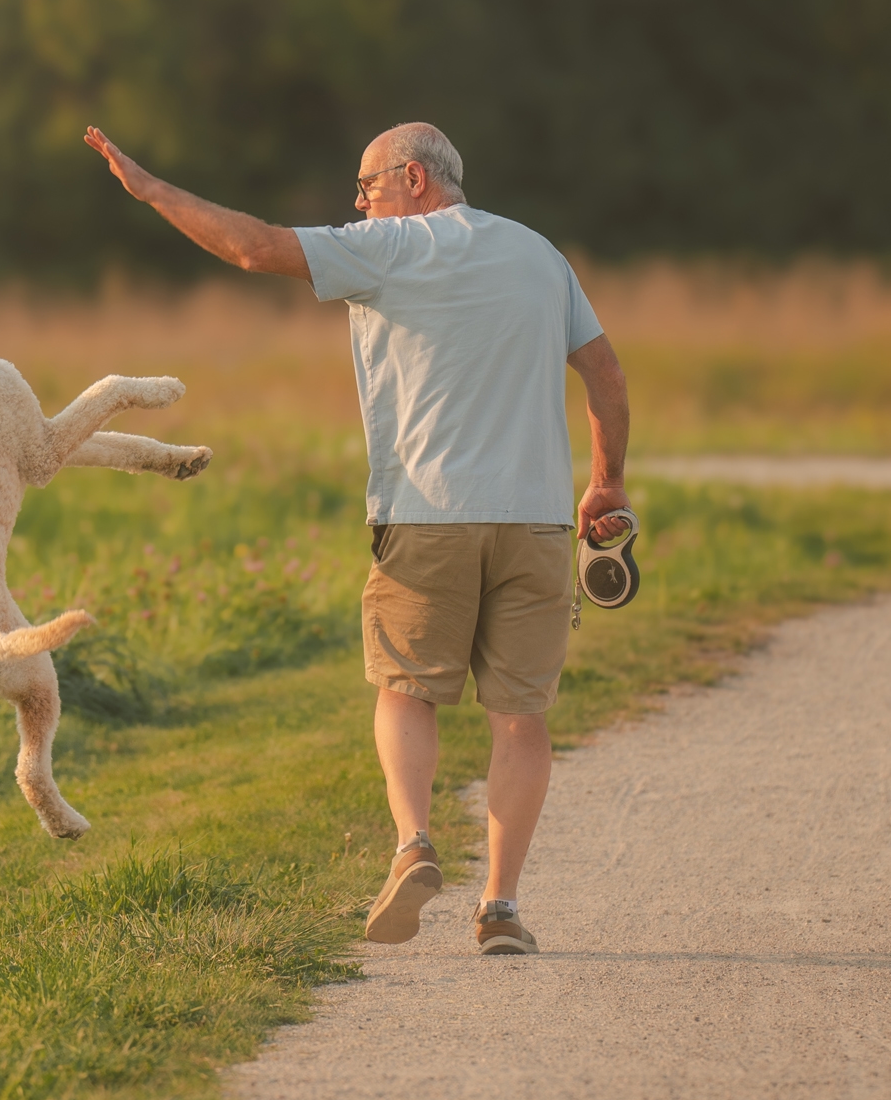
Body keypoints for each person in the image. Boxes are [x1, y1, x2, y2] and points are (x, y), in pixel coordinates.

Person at [84, 118, 632, 956]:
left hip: (427, 514)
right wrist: (606, 482)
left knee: (405, 690)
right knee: (520, 719)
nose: (358, 203)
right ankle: (502, 908)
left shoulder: (395, 247)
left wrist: (152, 190)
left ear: (413, 179)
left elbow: (252, 248)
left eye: (366, 186)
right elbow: (603, 371)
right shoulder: (538, 253)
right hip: (538, 521)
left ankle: (413, 843)